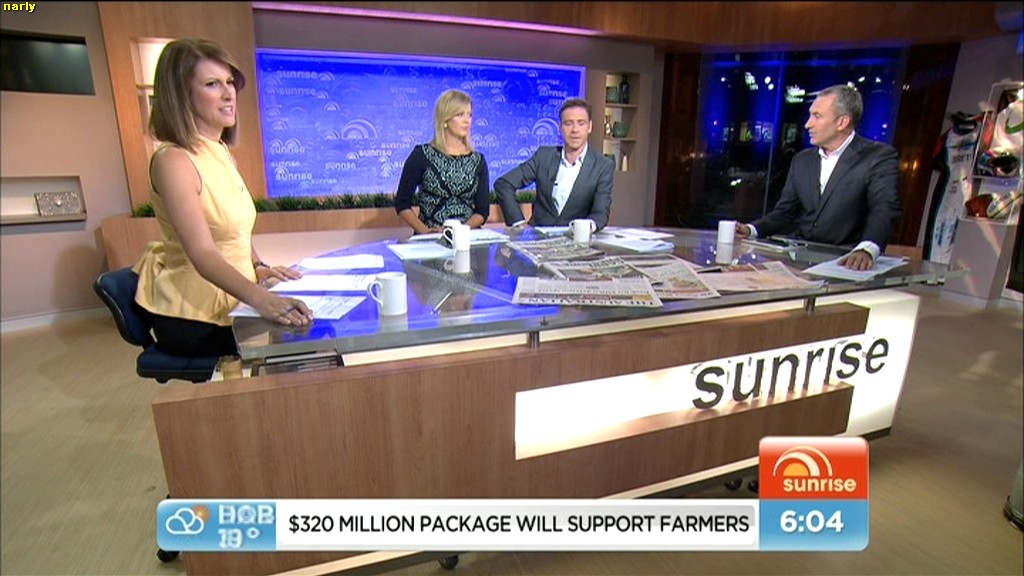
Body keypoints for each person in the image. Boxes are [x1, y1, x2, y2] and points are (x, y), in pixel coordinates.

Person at [132, 38, 312, 358]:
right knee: (301, 344)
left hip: (237, 299)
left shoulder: (222, 152)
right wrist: (262, 299)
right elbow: (203, 253)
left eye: (229, 82)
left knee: (311, 326)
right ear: (181, 95)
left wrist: (258, 267)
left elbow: (234, 229)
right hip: (195, 316)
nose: (229, 93)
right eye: (212, 84)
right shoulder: (173, 161)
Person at [735, 84, 901, 270]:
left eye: (817, 116)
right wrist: (751, 229)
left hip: (846, 260)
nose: (808, 124)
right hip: (799, 257)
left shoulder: (877, 157)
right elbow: (784, 212)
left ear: (842, 122)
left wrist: (867, 249)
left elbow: (884, 209)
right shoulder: (802, 160)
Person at [494, 97, 615, 229]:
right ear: (560, 127)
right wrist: (518, 223)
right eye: (568, 123)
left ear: (590, 127)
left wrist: (584, 229)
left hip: (576, 239)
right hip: (538, 239)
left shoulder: (603, 166)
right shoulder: (543, 156)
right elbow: (503, 184)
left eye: (581, 123)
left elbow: (600, 213)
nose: (575, 130)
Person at [395, 89, 490, 234]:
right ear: (445, 119)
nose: (467, 121)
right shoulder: (422, 155)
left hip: (467, 237)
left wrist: (459, 232)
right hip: (430, 238)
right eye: (460, 115)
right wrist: (426, 232)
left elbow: (482, 211)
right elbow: (402, 204)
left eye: (469, 115)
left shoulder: (478, 160)